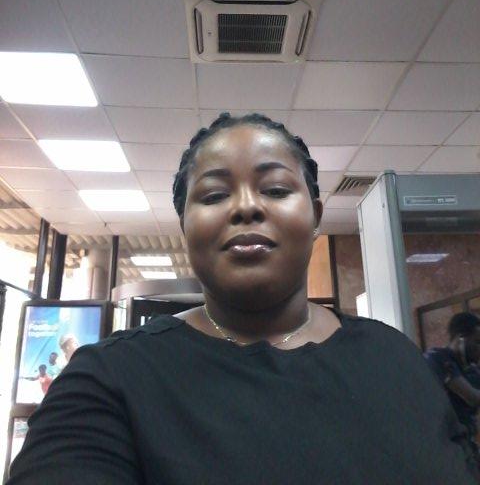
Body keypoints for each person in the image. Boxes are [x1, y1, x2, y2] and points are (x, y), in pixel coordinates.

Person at [7, 113, 479, 484]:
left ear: (315, 216)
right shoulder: (109, 380)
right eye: (214, 195)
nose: (247, 206)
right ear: (185, 226)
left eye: (275, 189)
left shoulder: (394, 358)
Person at [424, 312, 480, 469]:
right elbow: (472, 397)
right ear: (461, 338)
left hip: (466, 445)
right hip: (443, 447)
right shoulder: (437, 358)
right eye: (478, 342)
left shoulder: (472, 370)